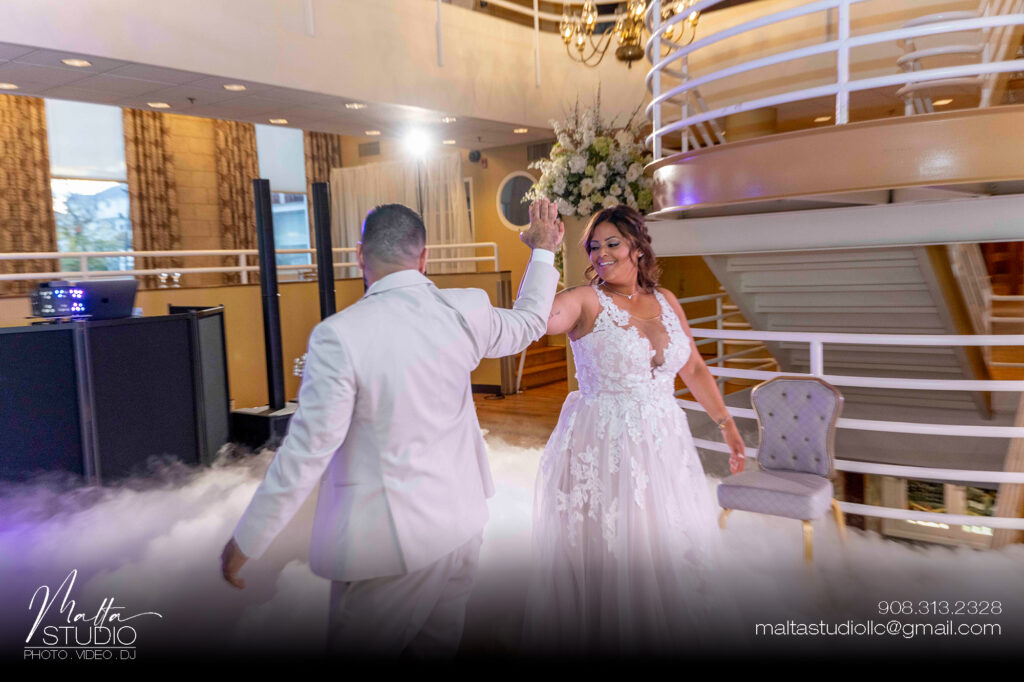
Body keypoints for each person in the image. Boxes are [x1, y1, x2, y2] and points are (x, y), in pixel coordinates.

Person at [220, 201, 563, 657]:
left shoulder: (339, 335)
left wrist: (248, 538)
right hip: (462, 526)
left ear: (359, 255)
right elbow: (531, 321)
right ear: (424, 257)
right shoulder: (466, 308)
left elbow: (308, 450)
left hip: (387, 547)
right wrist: (543, 250)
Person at [521, 203, 745, 656]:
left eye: (612, 243)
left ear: (638, 248)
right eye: (594, 246)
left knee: (665, 544)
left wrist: (727, 424)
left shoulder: (667, 301)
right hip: (605, 443)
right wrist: (541, 253)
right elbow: (533, 321)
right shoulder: (584, 300)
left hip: (663, 442)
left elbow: (693, 368)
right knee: (618, 551)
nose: (601, 253)